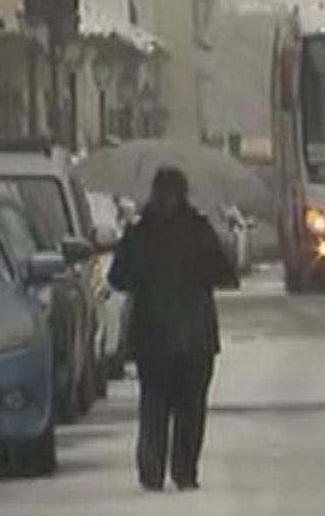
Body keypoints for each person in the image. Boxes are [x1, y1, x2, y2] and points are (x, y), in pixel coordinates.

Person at [108, 167, 237, 492]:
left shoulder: (140, 233)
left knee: (155, 404)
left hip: (153, 335)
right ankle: (184, 470)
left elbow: (117, 278)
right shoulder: (198, 230)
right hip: (194, 336)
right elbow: (224, 273)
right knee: (190, 407)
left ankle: (152, 470)